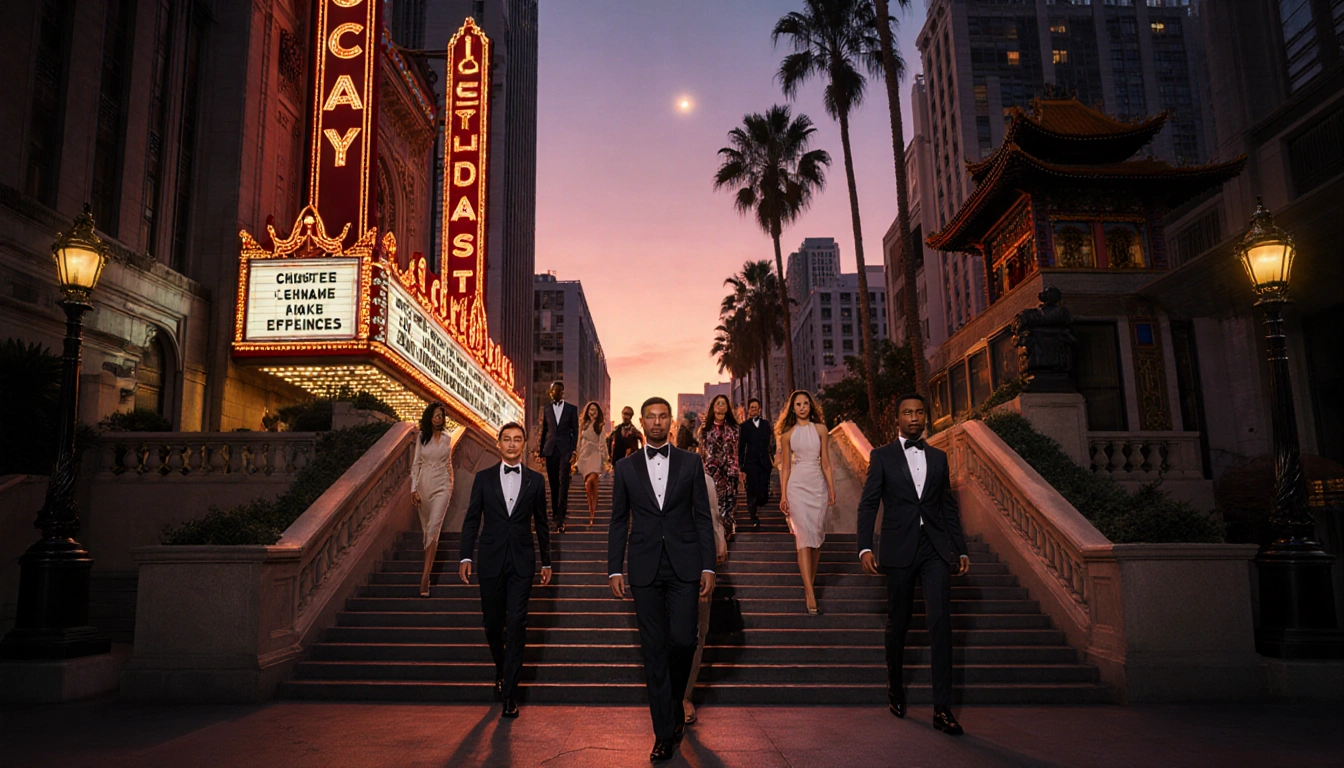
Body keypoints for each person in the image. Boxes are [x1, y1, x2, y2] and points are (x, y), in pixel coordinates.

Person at [608, 397, 716, 763]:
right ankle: (662, 733)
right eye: (650, 417)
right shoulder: (625, 467)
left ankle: (672, 705)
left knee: (684, 641)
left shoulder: (690, 462)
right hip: (643, 567)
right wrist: (614, 568)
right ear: (641, 423)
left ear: (670, 422)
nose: (656, 423)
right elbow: (619, 520)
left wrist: (709, 566)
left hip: (685, 565)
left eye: (662, 417)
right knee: (653, 650)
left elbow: (703, 517)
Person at [857, 393, 969, 737]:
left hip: (934, 549)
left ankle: (943, 709)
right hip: (898, 549)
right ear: (898, 419)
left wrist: (960, 549)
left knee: (940, 623)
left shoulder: (939, 457)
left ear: (926, 417)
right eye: (908, 412)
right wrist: (864, 547)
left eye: (920, 412)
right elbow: (868, 504)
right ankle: (895, 686)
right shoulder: (882, 456)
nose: (915, 417)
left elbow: (947, 507)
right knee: (899, 622)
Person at [458, 422, 553, 718]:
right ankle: (502, 668)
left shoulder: (536, 481)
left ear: (524, 444)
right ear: (499, 444)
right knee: (492, 623)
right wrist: (465, 557)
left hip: (522, 562)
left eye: (517, 440)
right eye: (507, 439)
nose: (512, 444)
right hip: (490, 559)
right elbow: (472, 519)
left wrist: (547, 561)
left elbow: (542, 524)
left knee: (517, 623)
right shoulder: (483, 479)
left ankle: (510, 693)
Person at [776, 390, 835, 615]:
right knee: (803, 536)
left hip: (817, 486)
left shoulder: (821, 430)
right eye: (798, 404)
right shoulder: (787, 435)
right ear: (793, 408)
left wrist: (831, 488)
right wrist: (783, 495)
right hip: (797, 486)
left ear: (811, 406)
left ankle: (810, 581)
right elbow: (786, 468)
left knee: (816, 537)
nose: (802, 407)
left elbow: (826, 462)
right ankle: (809, 592)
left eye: (806, 403)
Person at [683, 468, 727, 725]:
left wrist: (717, 548)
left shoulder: (704, 480)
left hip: (700, 566)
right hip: (668, 569)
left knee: (698, 633)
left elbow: (712, 518)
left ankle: (684, 695)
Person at [411, 402, 454, 597]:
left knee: (433, 527)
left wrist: (450, 485)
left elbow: (449, 464)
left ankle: (425, 576)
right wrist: (413, 489)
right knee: (427, 532)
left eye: (441, 416)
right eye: (436, 415)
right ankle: (427, 569)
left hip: (442, 486)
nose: (439, 418)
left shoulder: (448, 439)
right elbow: (416, 464)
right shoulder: (422, 438)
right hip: (424, 485)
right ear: (430, 417)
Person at [538, 380, 579, 533]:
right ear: (551, 392)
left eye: (560, 390)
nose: (557, 392)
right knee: (553, 484)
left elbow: (575, 431)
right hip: (550, 450)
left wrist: (573, 451)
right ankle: (555, 513)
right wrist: (541, 451)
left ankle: (560, 518)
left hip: (565, 450)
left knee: (564, 484)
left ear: (562, 392)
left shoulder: (571, 409)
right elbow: (544, 430)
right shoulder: (546, 409)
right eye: (555, 390)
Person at [699, 394, 740, 540]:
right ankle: (716, 534)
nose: (721, 405)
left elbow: (738, 450)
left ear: (728, 407)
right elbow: (702, 452)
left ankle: (727, 530)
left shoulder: (735, 428)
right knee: (714, 504)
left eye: (724, 403)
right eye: (718, 403)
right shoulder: (705, 430)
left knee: (729, 504)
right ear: (713, 407)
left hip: (730, 473)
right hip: (712, 472)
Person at [737, 397, 776, 530]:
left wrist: (772, 458)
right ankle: (753, 517)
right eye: (752, 407)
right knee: (751, 492)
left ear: (760, 409)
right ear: (749, 410)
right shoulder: (744, 427)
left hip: (764, 463)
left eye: (756, 407)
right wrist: (741, 466)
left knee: (763, 495)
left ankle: (761, 501)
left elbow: (770, 443)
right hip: (750, 463)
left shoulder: (766, 424)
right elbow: (741, 447)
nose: (754, 409)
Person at [575, 401, 609, 526]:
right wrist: (576, 455)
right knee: (589, 486)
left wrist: (605, 458)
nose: (592, 412)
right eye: (590, 410)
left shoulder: (600, 425)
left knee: (592, 482)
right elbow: (579, 440)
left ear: (598, 412)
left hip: (595, 455)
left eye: (595, 410)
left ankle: (593, 513)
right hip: (584, 455)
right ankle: (591, 511)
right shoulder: (583, 424)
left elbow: (603, 442)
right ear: (587, 411)